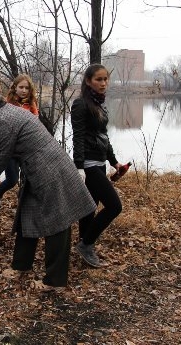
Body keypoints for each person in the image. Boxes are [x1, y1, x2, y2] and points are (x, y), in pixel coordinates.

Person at [0, 88, 95, 290]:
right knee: (27, 212)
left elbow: (2, 156)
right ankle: (21, 265)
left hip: (48, 170)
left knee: (57, 221)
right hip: (39, 169)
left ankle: (55, 281)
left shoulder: (3, 121)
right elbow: (4, 152)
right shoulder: (9, 112)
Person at [71, 63, 124, 268]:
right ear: (88, 81)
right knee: (113, 206)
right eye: (99, 80)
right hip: (89, 165)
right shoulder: (80, 104)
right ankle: (86, 244)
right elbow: (78, 137)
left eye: (105, 79)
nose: (103, 83)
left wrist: (114, 161)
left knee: (90, 207)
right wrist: (79, 166)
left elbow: (103, 136)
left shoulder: (99, 104)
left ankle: (84, 243)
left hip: (100, 162)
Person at [0, 74, 40, 207]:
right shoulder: (8, 103)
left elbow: (36, 122)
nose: (24, 90)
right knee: (12, 179)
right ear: (15, 88)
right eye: (21, 87)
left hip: (27, 148)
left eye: (27, 88)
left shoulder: (32, 103)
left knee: (28, 179)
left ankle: (23, 205)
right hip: (11, 149)